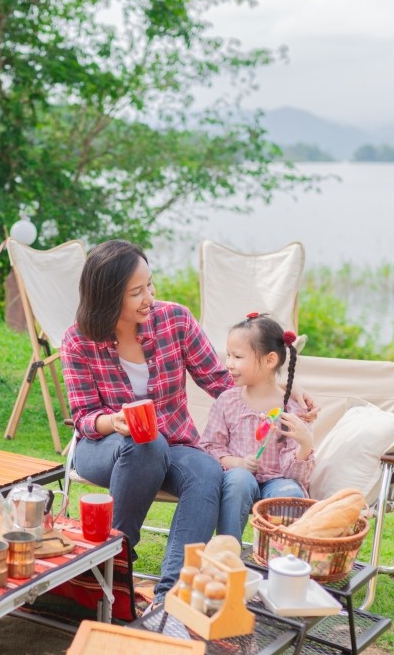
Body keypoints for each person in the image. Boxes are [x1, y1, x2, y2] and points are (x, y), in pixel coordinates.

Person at [61, 240, 232, 610]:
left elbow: (220, 381)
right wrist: (115, 421)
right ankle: (114, 565)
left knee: (205, 471)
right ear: (107, 297)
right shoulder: (78, 340)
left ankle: (170, 595)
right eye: (136, 292)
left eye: (150, 285)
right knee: (145, 442)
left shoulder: (176, 320)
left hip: (172, 443)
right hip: (102, 446)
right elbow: (84, 417)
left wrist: (279, 396)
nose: (149, 297)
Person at [198, 313, 316, 540]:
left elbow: (297, 476)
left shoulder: (292, 407)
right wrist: (238, 463)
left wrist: (304, 444)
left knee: (289, 493)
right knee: (238, 479)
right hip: (240, 479)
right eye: (229, 355)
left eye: (238, 356)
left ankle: (281, 560)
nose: (229, 363)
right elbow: (211, 447)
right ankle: (228, 550)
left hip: (279, 480)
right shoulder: (228, 401)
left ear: (270, 360)